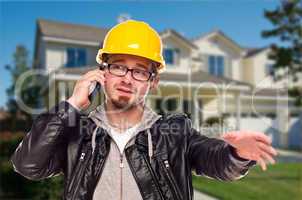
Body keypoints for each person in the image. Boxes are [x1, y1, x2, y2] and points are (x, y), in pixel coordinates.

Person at [11, 20, 277, 200]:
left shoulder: (175, 132)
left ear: (153, 81)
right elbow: (28, 165)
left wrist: (237, 154)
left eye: (139, 71)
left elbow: (214, 160)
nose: (127, 78)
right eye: (118, 66)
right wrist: (71, 106)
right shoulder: (77, 134)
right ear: (102, 72)